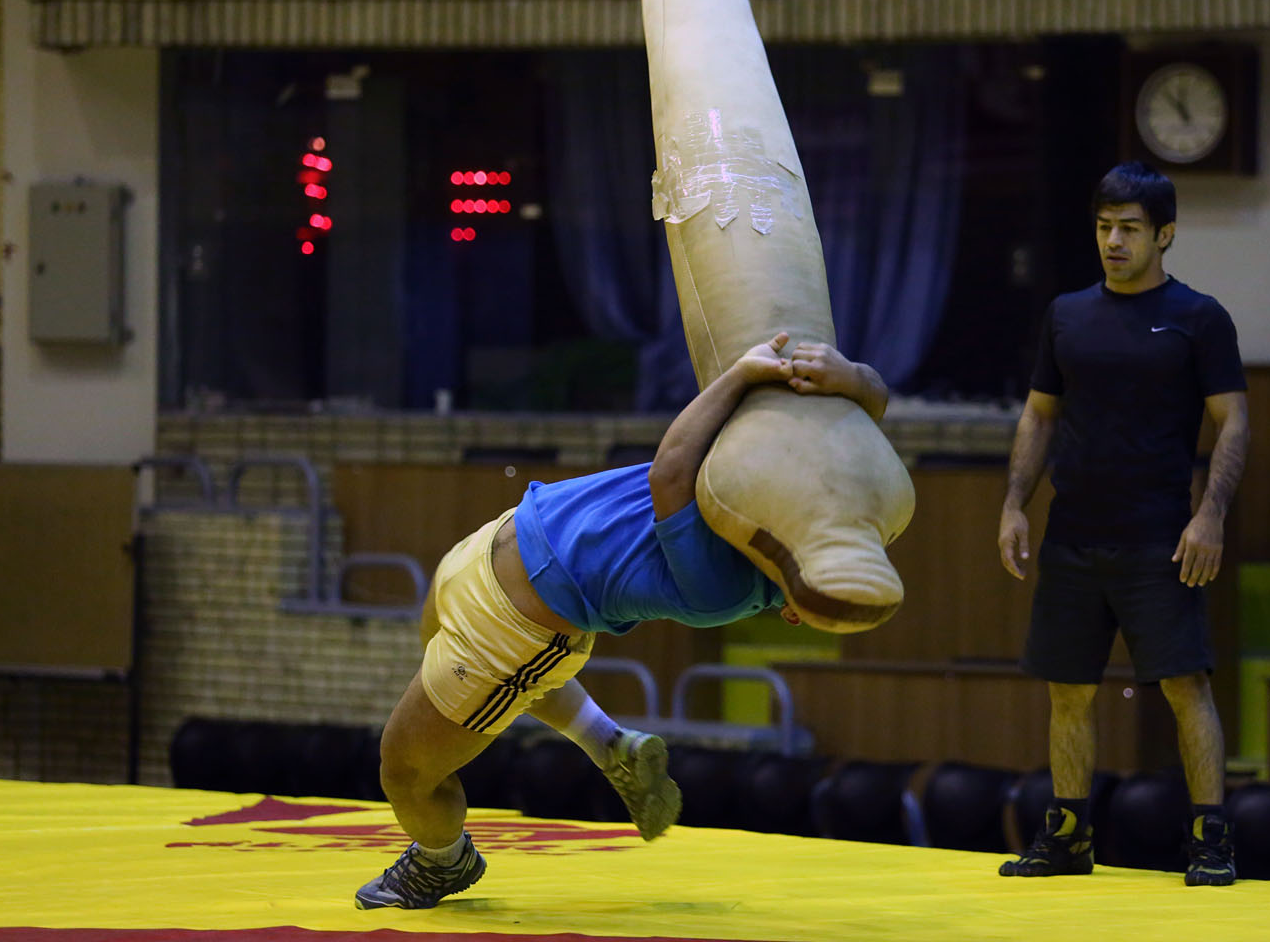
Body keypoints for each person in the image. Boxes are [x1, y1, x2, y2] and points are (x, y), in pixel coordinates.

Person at [355, 331, 890, 910]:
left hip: (512, 629)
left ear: (791, 610)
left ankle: (441, 861)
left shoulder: (725, 588)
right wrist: (852, 378)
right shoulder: (794, 500)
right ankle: (609, 742)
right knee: (442, 646)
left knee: (404, 771)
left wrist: (738, 374)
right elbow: (864, 426)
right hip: (501, 539)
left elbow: (669, 473)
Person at [995, 162, 1250, 887]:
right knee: (1068, 689)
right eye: (1105, 227)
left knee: (1185, 687)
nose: (1113, 241)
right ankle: (1068, 837)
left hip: (1160, 538)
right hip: (1073, 533)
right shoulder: (1067, 314)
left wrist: (1210, 514)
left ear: (1165, 235)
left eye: (1130, 229)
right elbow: (1039, 415)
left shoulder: (1200, 317)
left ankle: (1211, 840)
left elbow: (1233, 422)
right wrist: (1014, 502)